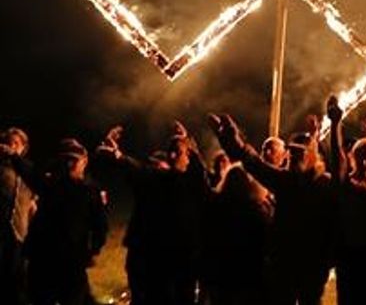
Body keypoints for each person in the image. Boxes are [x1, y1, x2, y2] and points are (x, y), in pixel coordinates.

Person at [210, 113, 337, 305]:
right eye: (291, 152)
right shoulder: (286, 180)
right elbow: (253, 163)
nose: (293, 156)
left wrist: (333, 127)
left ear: (312, 156)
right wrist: (233, 143)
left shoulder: (323, 184)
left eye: (299, 152)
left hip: (311, 264)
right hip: (285, 264)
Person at [98, 122, 210, 305]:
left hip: (181, 262)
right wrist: (117, 155)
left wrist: (187, 142)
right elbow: (135, 169)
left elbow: (200, 175)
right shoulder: (158, 180)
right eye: (171, 152)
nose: (172, 156)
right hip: (157, 262)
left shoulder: (191, 184)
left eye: (178, 152)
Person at [2, 138, 107, 305]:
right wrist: (14, 156)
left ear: (84, 162)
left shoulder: (90, 191)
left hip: (71, 262)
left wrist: (93, 250)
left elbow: (100, 225)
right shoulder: (49, 184)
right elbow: (30, 172)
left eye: (73, 160)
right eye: (65, 160)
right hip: (43, 259)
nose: (69, 164)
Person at [325, 96, 366, 305]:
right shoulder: (346, 183)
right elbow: (337, 156)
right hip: (351, 256)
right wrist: (335, 124)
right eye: (360, 156)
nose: (365, 161)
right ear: (353, 158)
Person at [202, 164, 273, 305]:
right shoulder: (254, 210)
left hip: (221, 272)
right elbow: (265, 241)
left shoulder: (216, 206)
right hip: (248, 274)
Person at [0, 127, 35, 305]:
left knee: (17, 279)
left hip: (20, 233)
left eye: (16, 143)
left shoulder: (28, 172)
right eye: (9, 142)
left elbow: (33, 201)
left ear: (23, 147)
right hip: (1, 231)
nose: (12, 146)